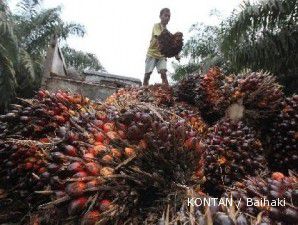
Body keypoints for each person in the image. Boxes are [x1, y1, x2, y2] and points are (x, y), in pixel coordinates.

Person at [143, 8, 179, 86]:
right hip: (152, 54)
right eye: (165, 15)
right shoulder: (156, 26)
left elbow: (171, 45)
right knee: (147, 76)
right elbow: (159, 36)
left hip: (162, 56)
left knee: (163, 73)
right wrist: (170, 39)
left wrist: (176, 54)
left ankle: (167, 92)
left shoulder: (168, 32)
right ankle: (143, 90)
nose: (167, 18)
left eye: (169, 16)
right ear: (160, 16)